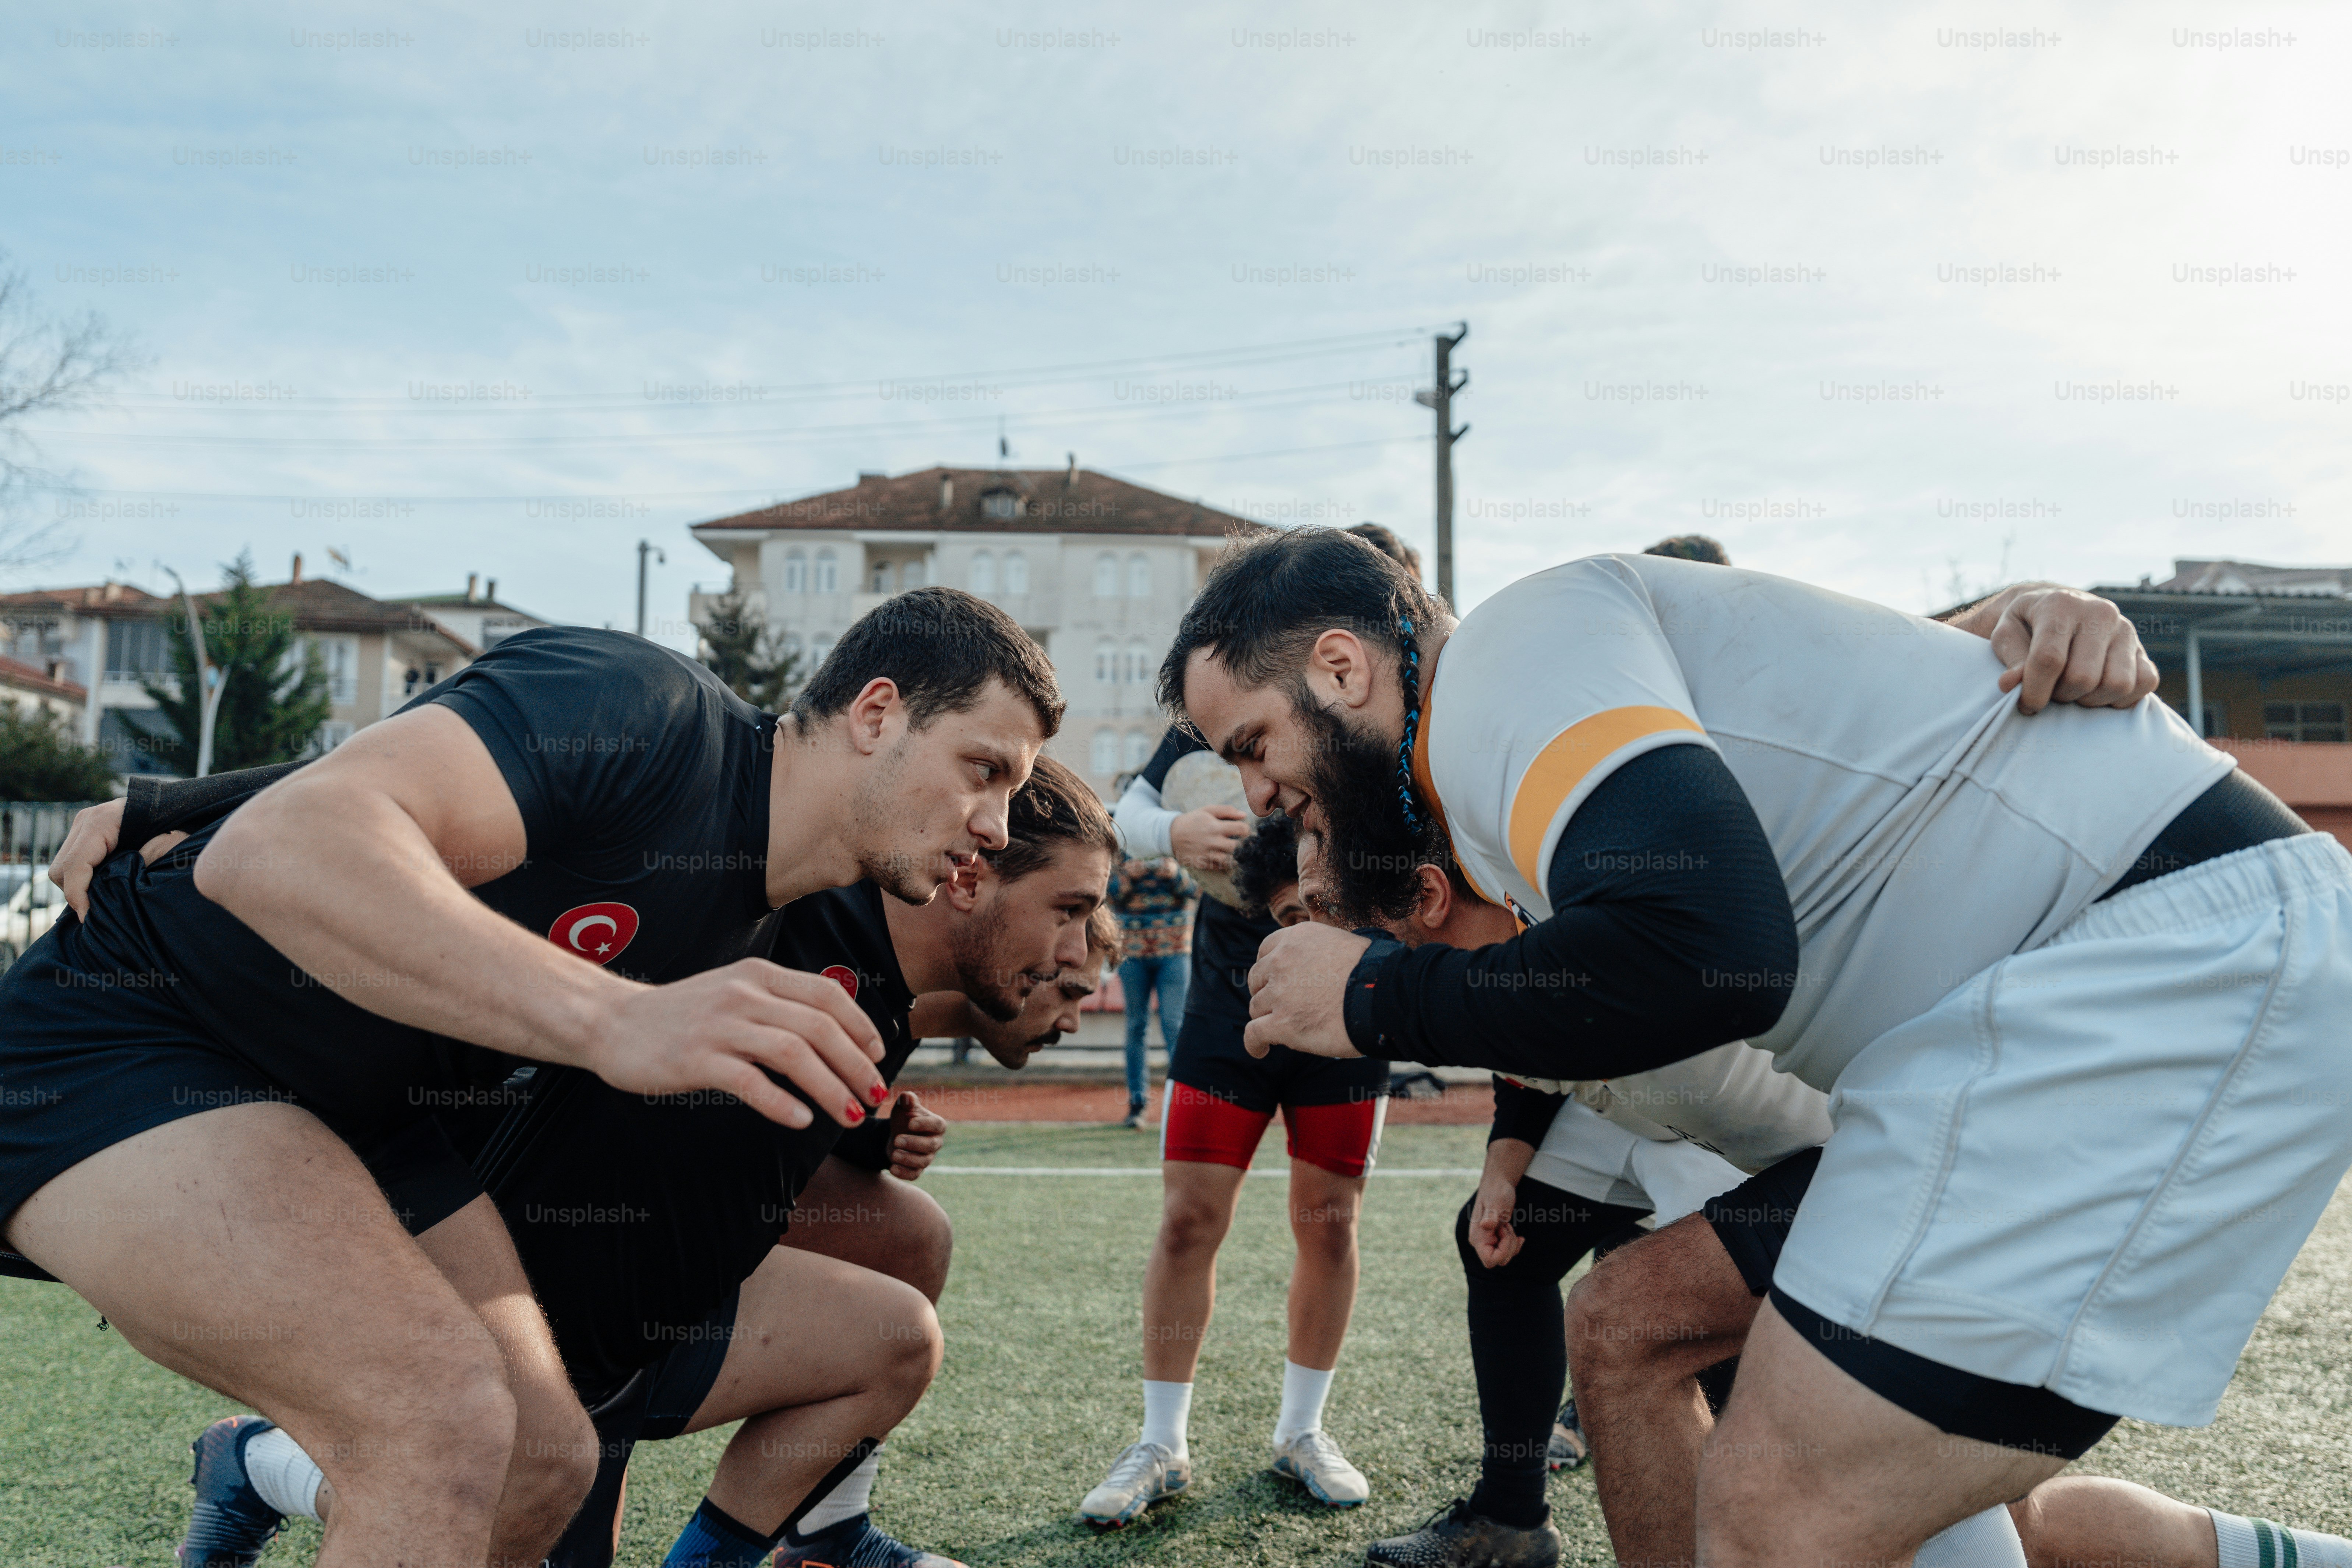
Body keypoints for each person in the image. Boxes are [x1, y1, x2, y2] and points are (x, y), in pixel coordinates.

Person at [1166, 528, 2352, 1563]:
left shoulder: (1499, 663)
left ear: (1340, 665)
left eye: (1252, 743)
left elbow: (1696, 942)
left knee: (1777, 1511)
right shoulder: (1497, 771)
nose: (1257, 795)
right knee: (1741, 1438)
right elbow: (1825, 762)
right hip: (2034, 1026)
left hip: (2139, 974)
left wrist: (1378, 998)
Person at [6, 592, 1063, 1568]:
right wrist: (617, 1015)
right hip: (141, 1038)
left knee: (544, 1455)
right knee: (441, 1417)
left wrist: (170, 798)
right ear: (876, 712)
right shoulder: (646, 705)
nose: (997, 825)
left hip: (368, 1118)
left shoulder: (778, 900)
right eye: (985, 770)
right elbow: (281, 846)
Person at [1075, 810, 1385, 1526]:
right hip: (1224, 1001)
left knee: (1330, 1223)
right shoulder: (1204, 722)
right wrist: (1169, 828)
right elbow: (1112, 818)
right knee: (1186, 1222)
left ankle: (1300, 1429)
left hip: (1345, 996)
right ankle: (1161, 1440)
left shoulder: (1354, 712)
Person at [1106, 845, 1195, 1127]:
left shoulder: (1177, 842)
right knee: (1136, 1025)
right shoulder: (1121, 849)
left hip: (1175, 951)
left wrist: (1175, 872)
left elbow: (1196, 890)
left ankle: (1184, 1104)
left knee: (1174, 1025)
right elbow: (1107, 895)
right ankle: (1137, 1105)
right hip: (1132, 953)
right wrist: (1127, 877)